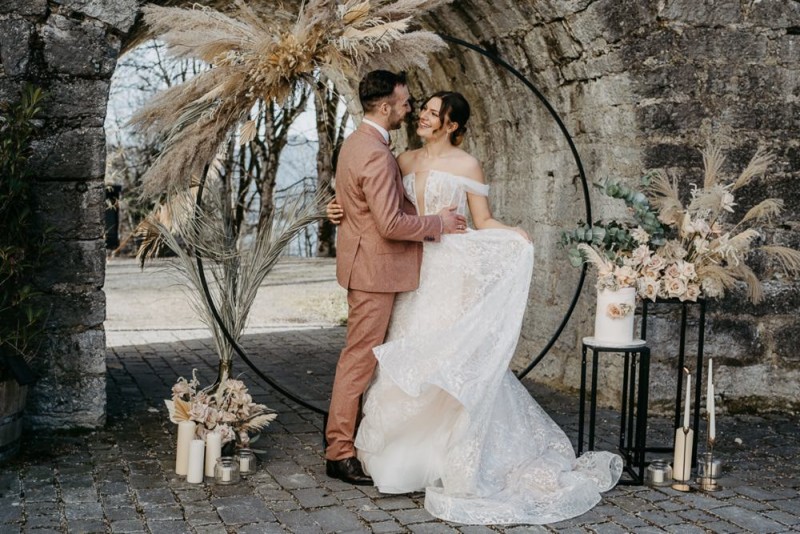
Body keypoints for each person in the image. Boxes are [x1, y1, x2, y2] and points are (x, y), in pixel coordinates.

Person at [327, 91, 622, 524]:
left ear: (451, 124)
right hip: (412, 268)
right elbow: (376, 205)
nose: (422, 116)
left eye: (432, 113)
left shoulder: (468, 165)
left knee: (453, 357)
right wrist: (340, 209)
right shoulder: (401, 160)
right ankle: (395, 452)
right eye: (421, 109)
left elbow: (482, 220)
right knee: (406, 353)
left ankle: (453, 452)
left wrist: (512, 235)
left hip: (451, 272)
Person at [325, 72, 467, 485]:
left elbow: (357, 203)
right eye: (405, 104)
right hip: (374, 269)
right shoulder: (374, 152)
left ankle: (345, 433)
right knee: (360, 358)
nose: (410, 110)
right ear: (385, 107)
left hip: (368, 264)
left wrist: (340, 210)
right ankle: (339, 450)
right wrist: (437, 222)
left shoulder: (357, 143)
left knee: (363, 355)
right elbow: (388, 222)